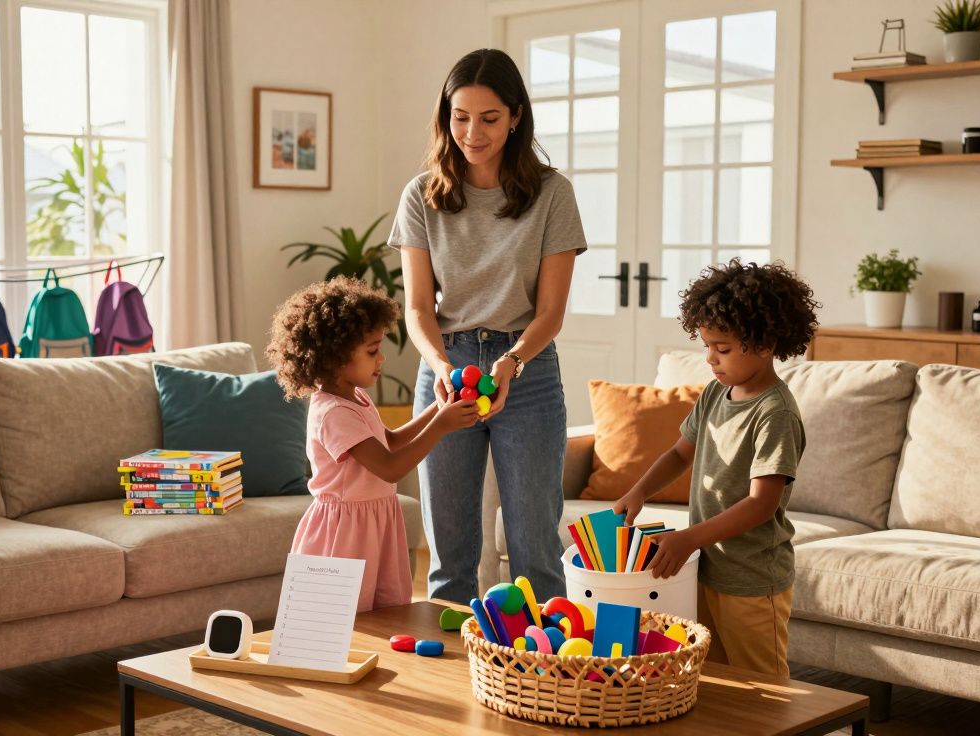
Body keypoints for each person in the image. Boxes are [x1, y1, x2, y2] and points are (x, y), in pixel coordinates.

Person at [388, 48, 587, 603]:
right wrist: (441, 367)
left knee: (534, 552)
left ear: (516, 117)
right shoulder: (421, 195)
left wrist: (511, 362)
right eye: (460, 117)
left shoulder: (553, 194)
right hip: (446, 368)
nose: (472, 133)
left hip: (526, 369)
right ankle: (451, 660)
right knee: (449, 558)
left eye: (490, 118)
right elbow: (418, 308)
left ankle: (538, 660)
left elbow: (550, 312)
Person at [613, 259, 820, 676]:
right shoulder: (714, 394)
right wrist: (639, 491)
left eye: (722, 349)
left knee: (764, 687)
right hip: (707, 569)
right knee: (714, 678)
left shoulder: (775, 412)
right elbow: (679, 454)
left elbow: (762, 503)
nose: (710, 358)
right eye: (707, 346)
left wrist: (688, 538)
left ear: (764, 344)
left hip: (751, 579)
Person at [267, 277, 480, 612]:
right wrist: (441, 425)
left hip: (375, 520)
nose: (381, 358)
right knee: (345, 616)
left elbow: (389, 441)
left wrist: (438, 409)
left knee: (386, 612)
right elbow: (389, 467)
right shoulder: (333, 413)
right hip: (346, 532)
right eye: (372, 351)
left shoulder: (356, 397)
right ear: (336, 357)